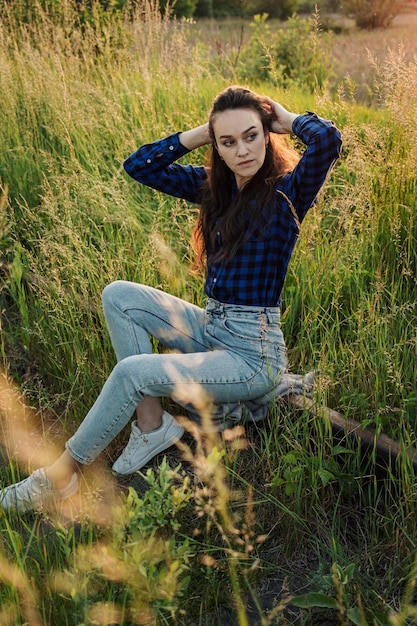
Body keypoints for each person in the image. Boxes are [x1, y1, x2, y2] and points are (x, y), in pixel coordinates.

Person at [0, 86, 342, 513]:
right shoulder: (214, 189)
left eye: (252, 136)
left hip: (253, 356)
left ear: (268, 135)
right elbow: (139, 165)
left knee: (132, 373)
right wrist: (205, 131)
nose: (242, 151)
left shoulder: (286, 193)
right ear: (216, 147)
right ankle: (151, 426)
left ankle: (59, 476)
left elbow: (328, 140)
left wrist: (287, 119)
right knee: (119, 295)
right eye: (229, 142)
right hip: (214, 328)